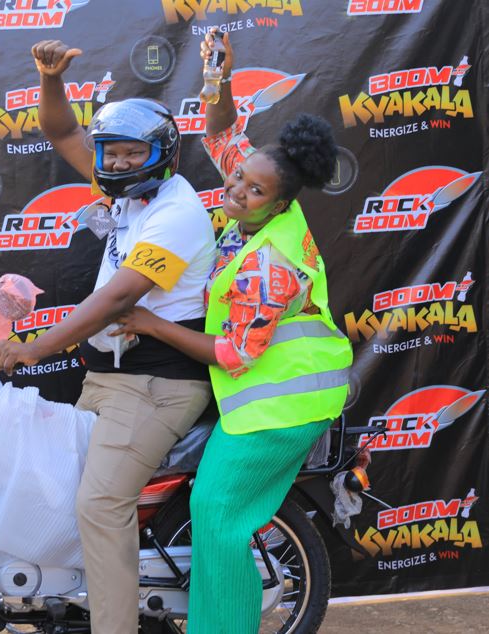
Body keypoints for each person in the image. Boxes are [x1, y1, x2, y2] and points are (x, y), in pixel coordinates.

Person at [109, 31, 353, 633]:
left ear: (280, 204)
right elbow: (221, 132)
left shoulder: (272, 263)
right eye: (238, 179)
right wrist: (217, 77)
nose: (236, 191)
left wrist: (147, 321)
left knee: (218, 516)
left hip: (283, 407)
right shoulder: (264, 195)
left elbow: (234, 353)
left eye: (252, 190)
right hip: (267, 399)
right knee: (218, 516)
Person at [0, 40, 216, 634]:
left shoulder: (176, 211)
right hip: (110, 378)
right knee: (65, 496)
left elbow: (118, 298)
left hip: (157, 385)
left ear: (162, 155)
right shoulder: (130, 192)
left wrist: (34, 348)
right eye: (109, 154)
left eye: (129, 153)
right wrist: (51, 80)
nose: (114, 163)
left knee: (98, 504)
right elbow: (64, 131)